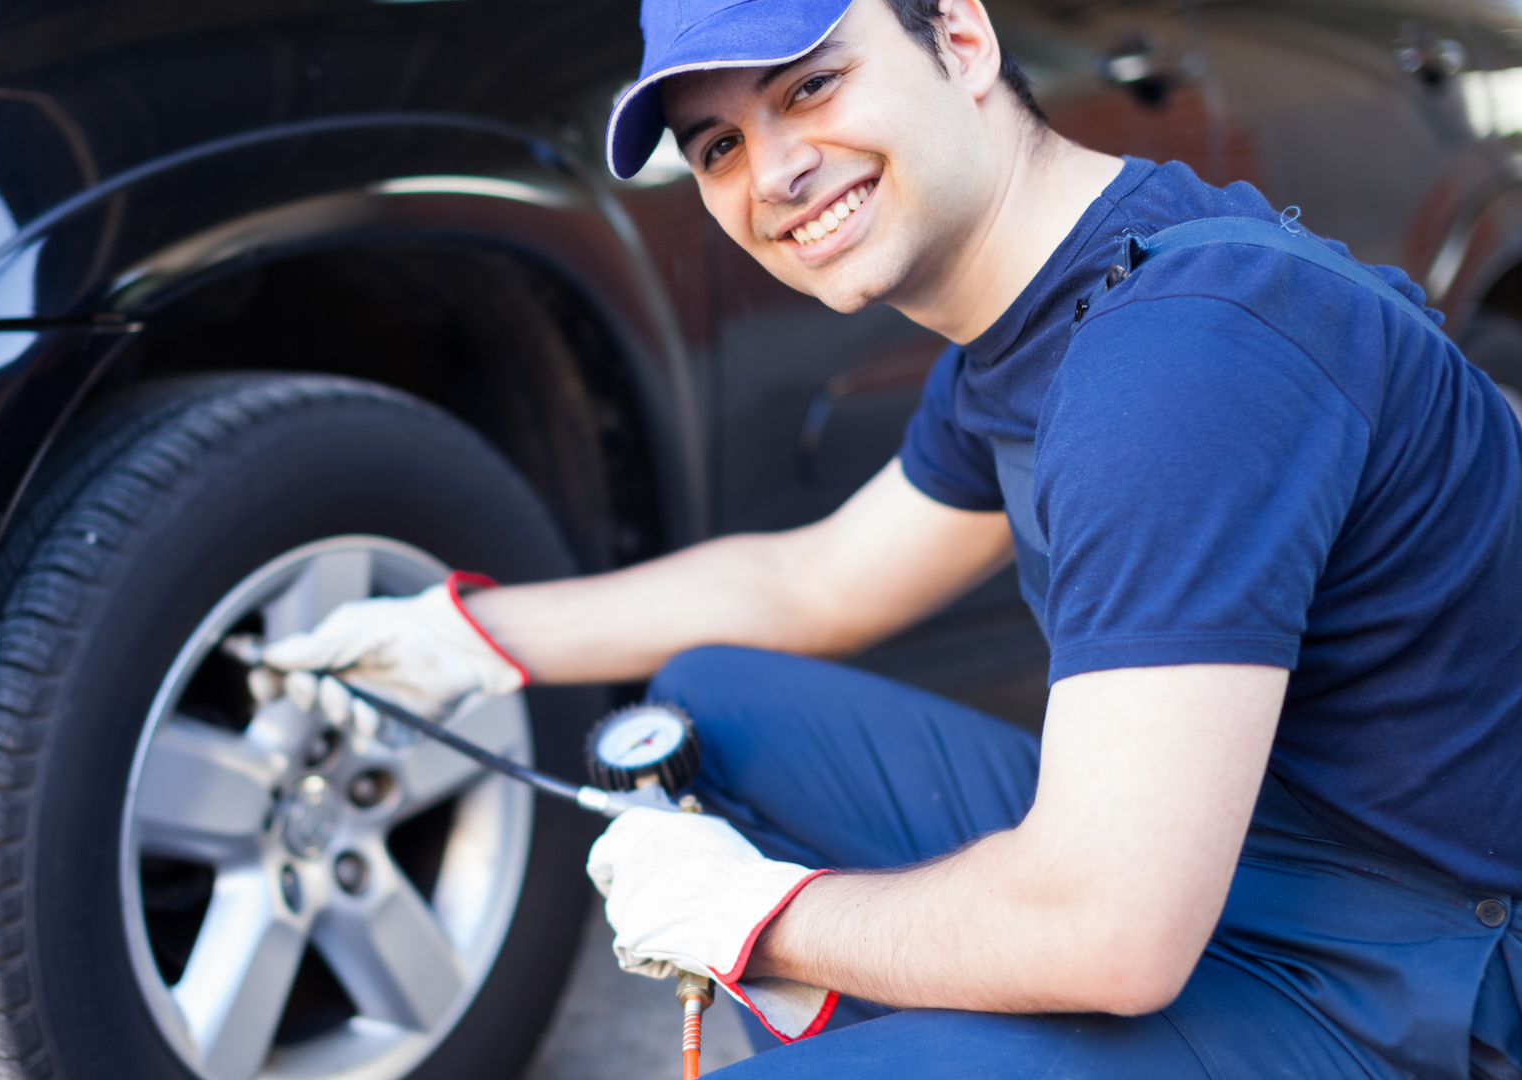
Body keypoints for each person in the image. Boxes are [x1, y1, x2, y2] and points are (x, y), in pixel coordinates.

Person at [259, 0, 1522, 1074]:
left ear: (961, 38)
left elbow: (1111, 930)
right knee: (714, 710)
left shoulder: (1175, 361)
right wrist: (465, 636)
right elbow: (817, 581)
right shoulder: (1047, 310)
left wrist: (766, 920)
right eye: (718, 147)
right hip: (1250, 851)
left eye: (813, 86)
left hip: (1428, 964)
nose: (775, 173)